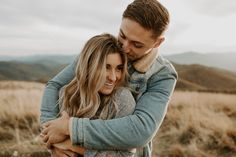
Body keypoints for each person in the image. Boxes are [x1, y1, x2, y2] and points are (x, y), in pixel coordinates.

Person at [40, 0, 178, 156]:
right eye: (122, 35)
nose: (124, 47)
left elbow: (141, 130)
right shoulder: (100, 51)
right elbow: (55, 85)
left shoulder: (163, 75)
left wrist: (70, 128)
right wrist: (52, 137)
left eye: (136, 44)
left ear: (157, 42)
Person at [41, 33, 136, 156]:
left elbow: (125, 155)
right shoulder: (68, 94)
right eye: (105, 67)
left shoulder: (122, 99)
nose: (113, 77)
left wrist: (73, 146)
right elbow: (53, 138)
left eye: (118, 68)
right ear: (89, 66)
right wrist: (55, 147)